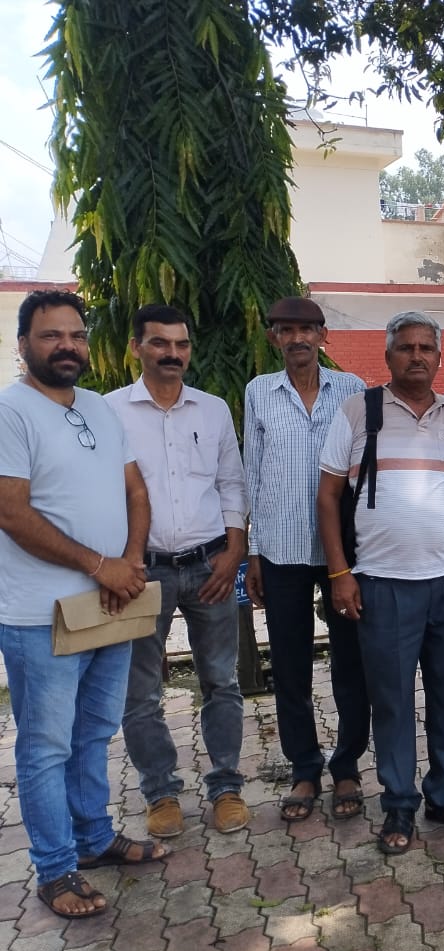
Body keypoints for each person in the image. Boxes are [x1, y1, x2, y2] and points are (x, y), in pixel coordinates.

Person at [0, 290, 168, 920]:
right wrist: (102, 566)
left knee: (95, 730)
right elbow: (11, 512)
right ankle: (54, 868)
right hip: (40, 614)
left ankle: (93, 839)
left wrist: (130, 562)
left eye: (75, 335)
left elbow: (135, 491)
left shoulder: (99, 407)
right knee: (46, 746)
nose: (66, 346)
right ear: (24, 344)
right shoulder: (10, 412)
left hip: (110, 604)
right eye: (51, 336)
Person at [317, 311, 444, 854]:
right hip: (384, 583)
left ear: (439, 357)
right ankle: (398, 803)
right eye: (405, 347)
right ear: (388, 355)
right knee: (392, 700)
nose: (416, 356)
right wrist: (340, 574)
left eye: (426, 348)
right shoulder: (358, 412)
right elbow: (327, 496)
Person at [106, 305, 251, 836]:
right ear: (136, 347)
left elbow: (231, 482)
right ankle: (160, 793)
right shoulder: (108, 412)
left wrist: (235, 550)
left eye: (181, 344)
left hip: (211, 565)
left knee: (222, 681)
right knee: (141, 691)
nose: (172, 353)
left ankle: (226, 786)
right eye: (159, 343)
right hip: (142, 574)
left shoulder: (212, 411)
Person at [243, 296, 370, 822]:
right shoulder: (259, 392)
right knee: (290, 665)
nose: (297, 338)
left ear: (322, 335)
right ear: (273, 337)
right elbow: (252, 471)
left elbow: (364, 471)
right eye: (286, 329)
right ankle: (304, 768)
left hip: (342, 550)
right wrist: (253, 551)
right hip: (282, 549)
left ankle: (347, 766)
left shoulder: (352, 389)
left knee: (351, 662)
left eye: (306, 329)